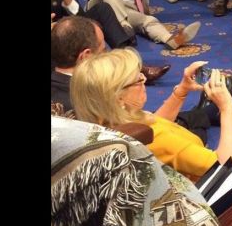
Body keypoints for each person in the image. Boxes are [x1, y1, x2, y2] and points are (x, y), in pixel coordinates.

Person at [71, 48, 232, 181]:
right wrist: (226, 108)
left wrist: (181, 90)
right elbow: (225, 168)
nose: (144, 79)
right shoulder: (155, 139)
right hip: (201, 195)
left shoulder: (107, 121)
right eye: (138, 80)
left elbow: (154, 122)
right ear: (117, 98)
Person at [52, 16, 217, 140]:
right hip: (127, 159)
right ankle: (207, 114)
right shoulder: (94, 95)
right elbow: (144, 133)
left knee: (181, 118)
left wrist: (181, 91)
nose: (108, 55)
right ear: (86, 56)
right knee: (188, 134)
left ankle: (203, 113)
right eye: (103, 50)